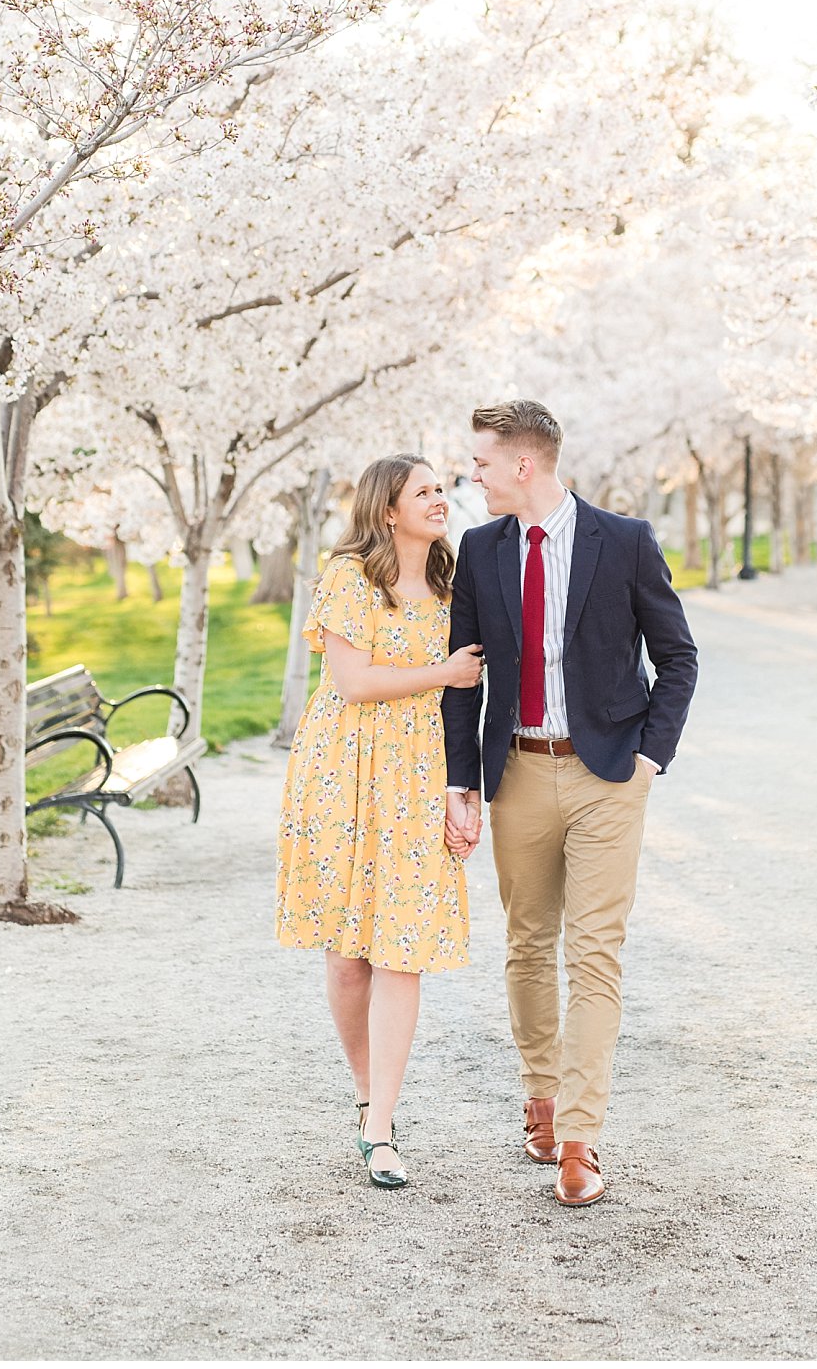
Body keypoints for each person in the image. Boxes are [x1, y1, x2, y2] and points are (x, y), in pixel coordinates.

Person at [443, 400, 698, 1207]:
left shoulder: (623, 543)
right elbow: (463, 676)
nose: (471, 476)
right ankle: (542, 1097)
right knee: (526, 944)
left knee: (594, 952)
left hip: (607, 776)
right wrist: (464, 782)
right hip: (516, 770)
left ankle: (581, 1137)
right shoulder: (480, 551)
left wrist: (650, 756)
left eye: (481, 462)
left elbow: (677, 656)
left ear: (524, 465)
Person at [275, 453, 483, 1190]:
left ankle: (380, 1124)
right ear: (387, 509)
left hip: (420, 775)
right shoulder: (348, 578)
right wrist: (444, 672)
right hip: (342, 773)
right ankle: (367, 1092)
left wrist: (467, 790)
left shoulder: (459, 585)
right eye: (422, 491)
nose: (439, 499)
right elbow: (355, 683)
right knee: (347, 956)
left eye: (440, 489)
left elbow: (470, 701)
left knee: (403, 947)